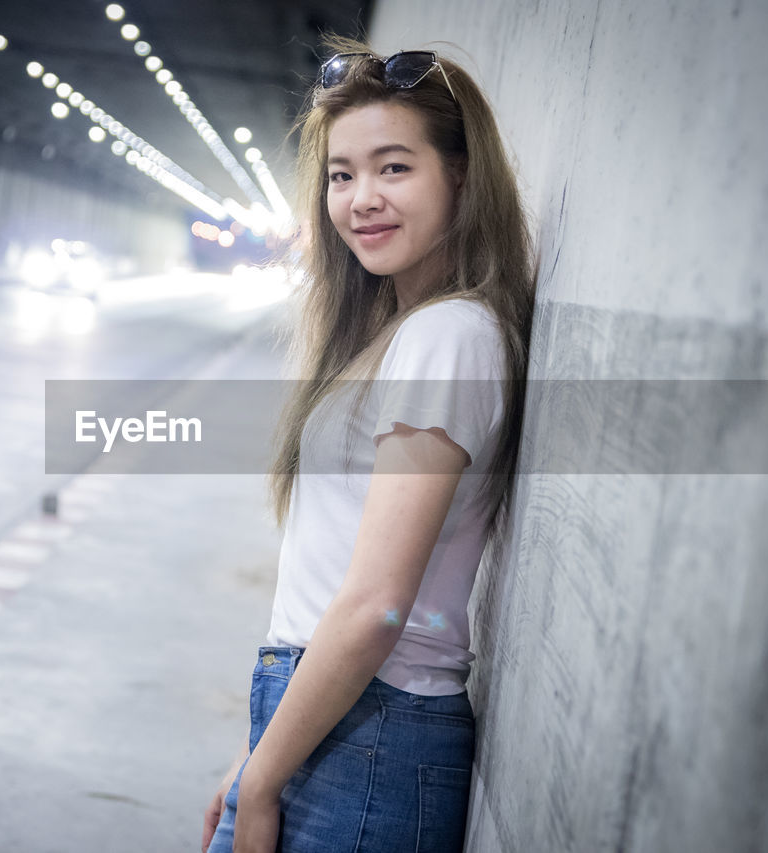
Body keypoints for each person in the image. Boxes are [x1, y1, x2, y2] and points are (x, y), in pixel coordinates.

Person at [201, 35, 534, 853]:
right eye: (342, 175)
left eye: (394, 167)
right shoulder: (400, 330)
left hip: (374, 733)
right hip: (334, 717)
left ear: (460, 173)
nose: (360, 199)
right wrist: (259, 754)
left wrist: (264, 779)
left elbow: (378, 603)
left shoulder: (449, 336)